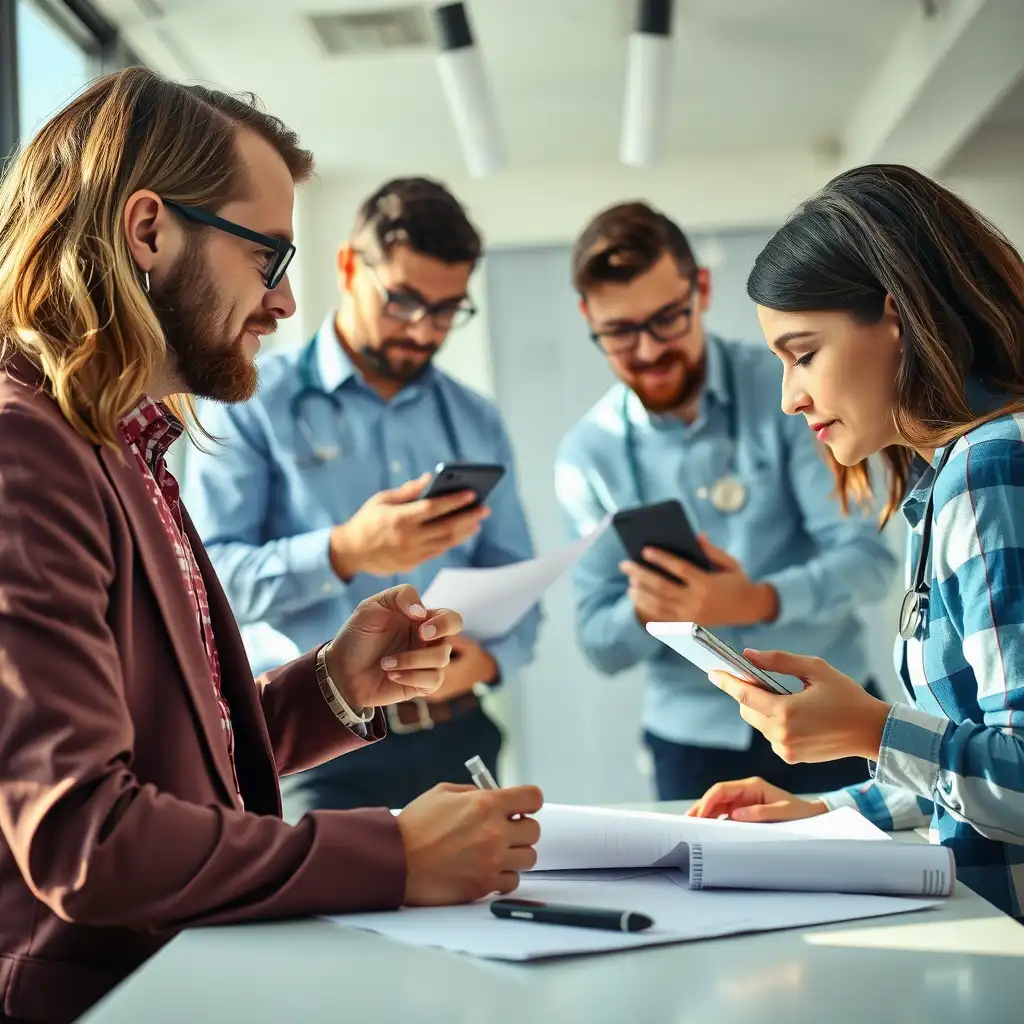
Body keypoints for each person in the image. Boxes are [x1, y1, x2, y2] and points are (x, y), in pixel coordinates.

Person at [0, 69, 542, 1024]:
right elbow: (87, 837)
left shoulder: (125, 443)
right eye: (267, 259)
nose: (282, 305)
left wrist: (336, 683)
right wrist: (396, 855)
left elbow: (179, 750)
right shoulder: (25, 449)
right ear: (148, 231)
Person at [687, 164, 1024, 920]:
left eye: (804, 354)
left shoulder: (991, 467)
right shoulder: (943, 481)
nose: (789, 396)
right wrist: (830, 814)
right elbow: (970, 757)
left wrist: (868, 727)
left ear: (896, 318)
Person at [182, 177, 539, 819]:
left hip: (458, 734)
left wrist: (485, 660)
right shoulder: (251, 399)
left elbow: (520, 584)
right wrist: (345, 551)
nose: (424, 329)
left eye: (447, 310)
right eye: (403, 301)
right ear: (349, 266)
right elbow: (207, 587)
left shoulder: (476, 420)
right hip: (316, 746)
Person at [555, 202, 898, 801]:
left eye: (666, 320)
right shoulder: (588, 454)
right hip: (690, 744)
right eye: (618, 333)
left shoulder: (792, 389)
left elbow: (868, 562)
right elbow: (597, 645)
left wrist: (757, 600)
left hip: (827, 710)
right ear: (588, 317)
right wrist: (645, 609)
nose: (648, 351)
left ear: (702, 288)